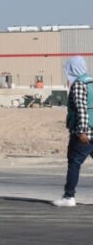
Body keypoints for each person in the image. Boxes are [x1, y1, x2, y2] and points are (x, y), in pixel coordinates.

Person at [53, 55, 93, 207]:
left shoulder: (79, 85)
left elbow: (81, 109)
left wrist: (82, 131)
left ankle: (68, 197)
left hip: (84, 133)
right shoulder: (91, 82)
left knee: (74, 163)